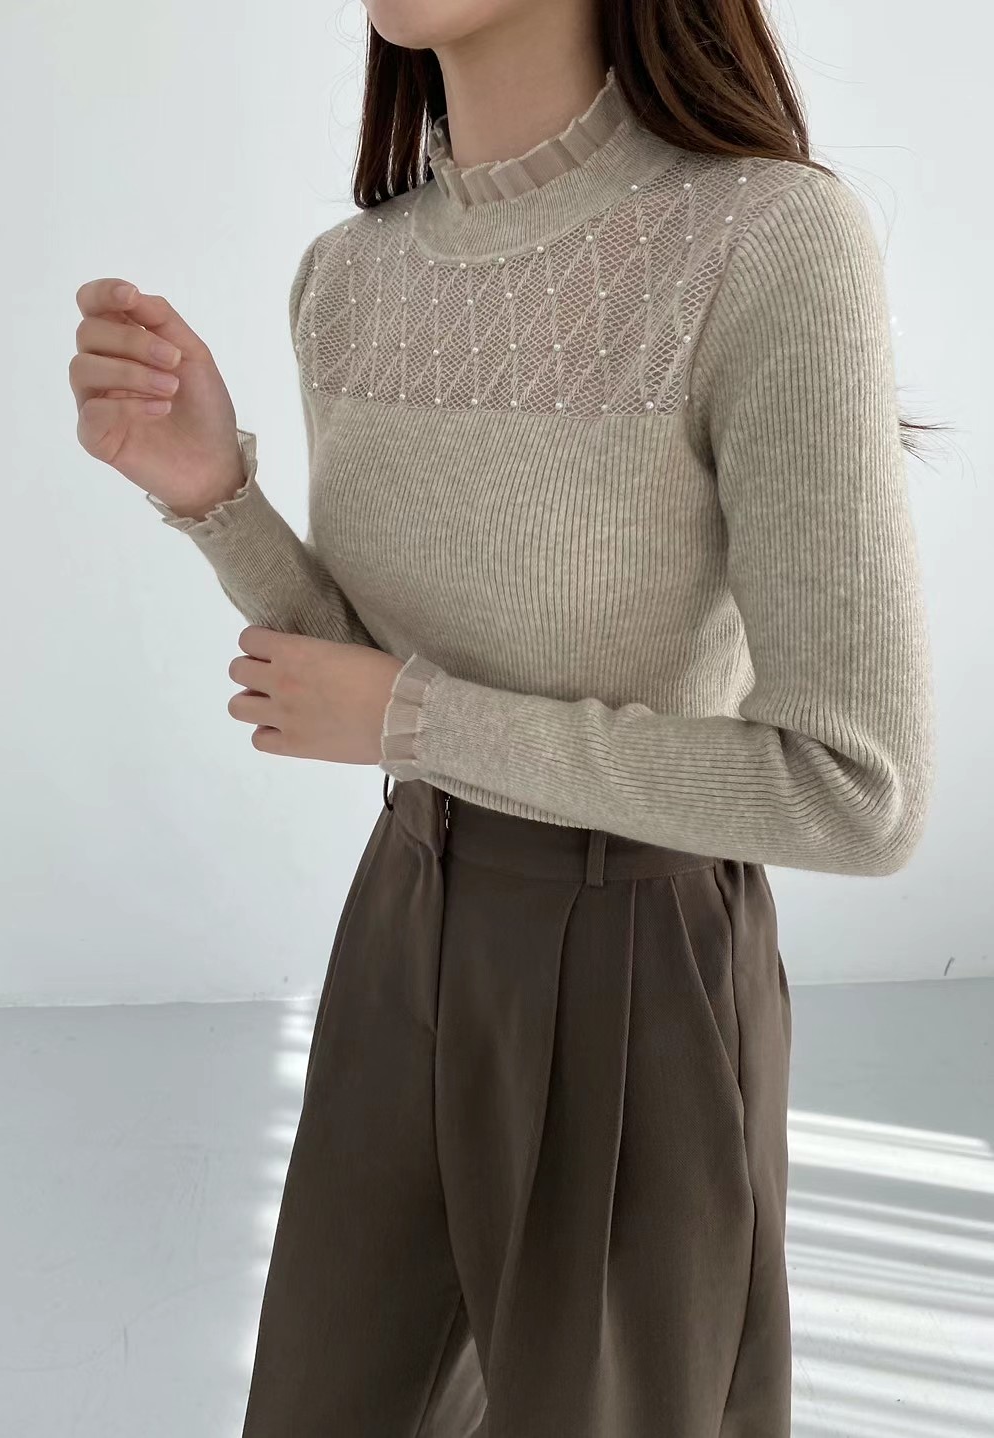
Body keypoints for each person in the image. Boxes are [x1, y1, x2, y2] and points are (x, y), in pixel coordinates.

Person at [70, 2, 936, 1432]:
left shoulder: (766, 240)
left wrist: (416, 721)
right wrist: (215, 493)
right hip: (404, 920)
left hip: (641, 965)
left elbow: (857, 790)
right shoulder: (347, 279)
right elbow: (373, 681)